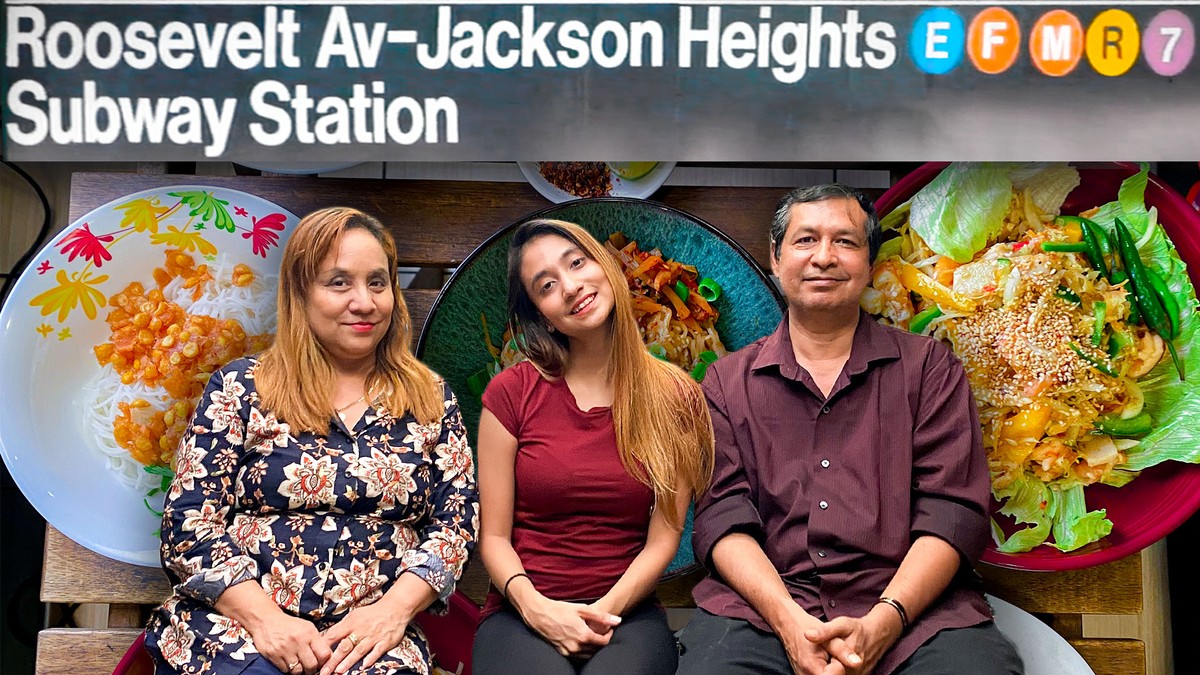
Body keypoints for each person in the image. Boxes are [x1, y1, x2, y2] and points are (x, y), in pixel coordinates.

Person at [675, 185, 1023, 675]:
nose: (823, 257)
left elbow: (954, 510)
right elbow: (723, 518)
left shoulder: (929, 369)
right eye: (805, 240)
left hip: (913, 613)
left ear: (870, 263)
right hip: (764, 614)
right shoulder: (727, 383)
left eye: (845, 241)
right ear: (775, 260)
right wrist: (791, 624)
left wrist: (886, 620)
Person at [145, 207, 478, 675]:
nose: (364, 301)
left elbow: (455, 528)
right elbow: (188, 525)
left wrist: (392, 613)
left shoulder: (430, 398)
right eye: (339, 282)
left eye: (377, 282)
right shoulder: (240, 388)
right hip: (238, 630)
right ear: (300, 292)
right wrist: (266, 621)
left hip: (370, 643)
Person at [472, 219, 714, 674]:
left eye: (577, 263)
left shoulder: (676, 396)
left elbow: (665, 537)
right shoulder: (509, 393)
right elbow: (495, 538)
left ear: (605, 265)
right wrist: (538, 609)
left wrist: (601, 612)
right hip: (521, 613)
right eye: (546, 285)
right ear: (542, 313)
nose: (569, 286)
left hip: (628, 615)